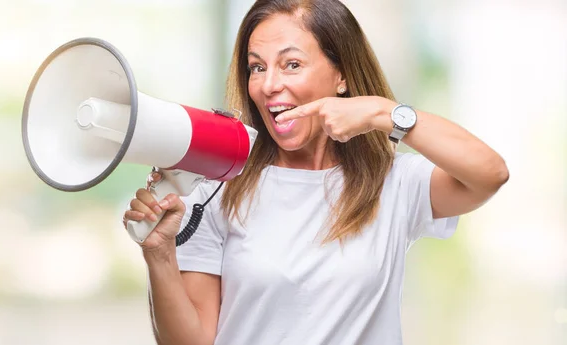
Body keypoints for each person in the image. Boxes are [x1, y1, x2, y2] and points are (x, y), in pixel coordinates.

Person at [122, 0, 509, 344]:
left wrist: (382, 113)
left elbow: (489, 173)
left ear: (341, 76)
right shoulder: (217, 186)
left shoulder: (394, 183)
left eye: (292, 64)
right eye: (257, 67)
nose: (269, 85)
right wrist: (160, 255)